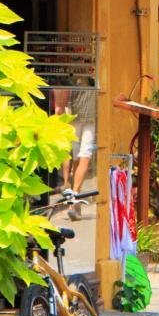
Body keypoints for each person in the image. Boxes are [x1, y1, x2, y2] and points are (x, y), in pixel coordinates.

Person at [54, 81, 97, 221]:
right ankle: (75, 199)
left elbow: (63, 99)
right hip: (90, 118)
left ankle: (74, 201)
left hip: (74, 118)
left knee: (77, 159)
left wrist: (59, 114)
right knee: (84, 157)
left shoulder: (73, 77)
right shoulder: (95, 77)